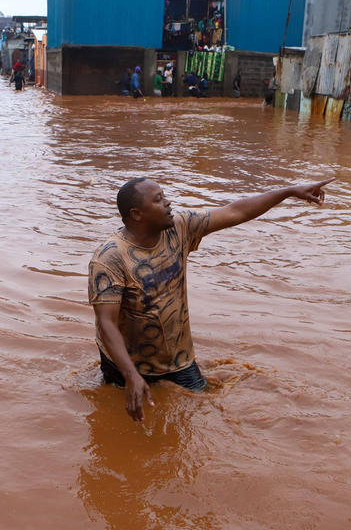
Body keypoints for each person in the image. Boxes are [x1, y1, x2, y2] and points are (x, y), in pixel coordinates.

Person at [88, 176, 335, 422]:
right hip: (124, 364)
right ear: (137, 214)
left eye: (164, 196)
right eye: (158, 199)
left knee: (199, 416)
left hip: (177, 360)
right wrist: (130, 375)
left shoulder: (179, 227)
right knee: (115, 419)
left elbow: (236, 211)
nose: (168, 203)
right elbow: (106, 322)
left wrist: (289, 191)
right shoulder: (110, 258)